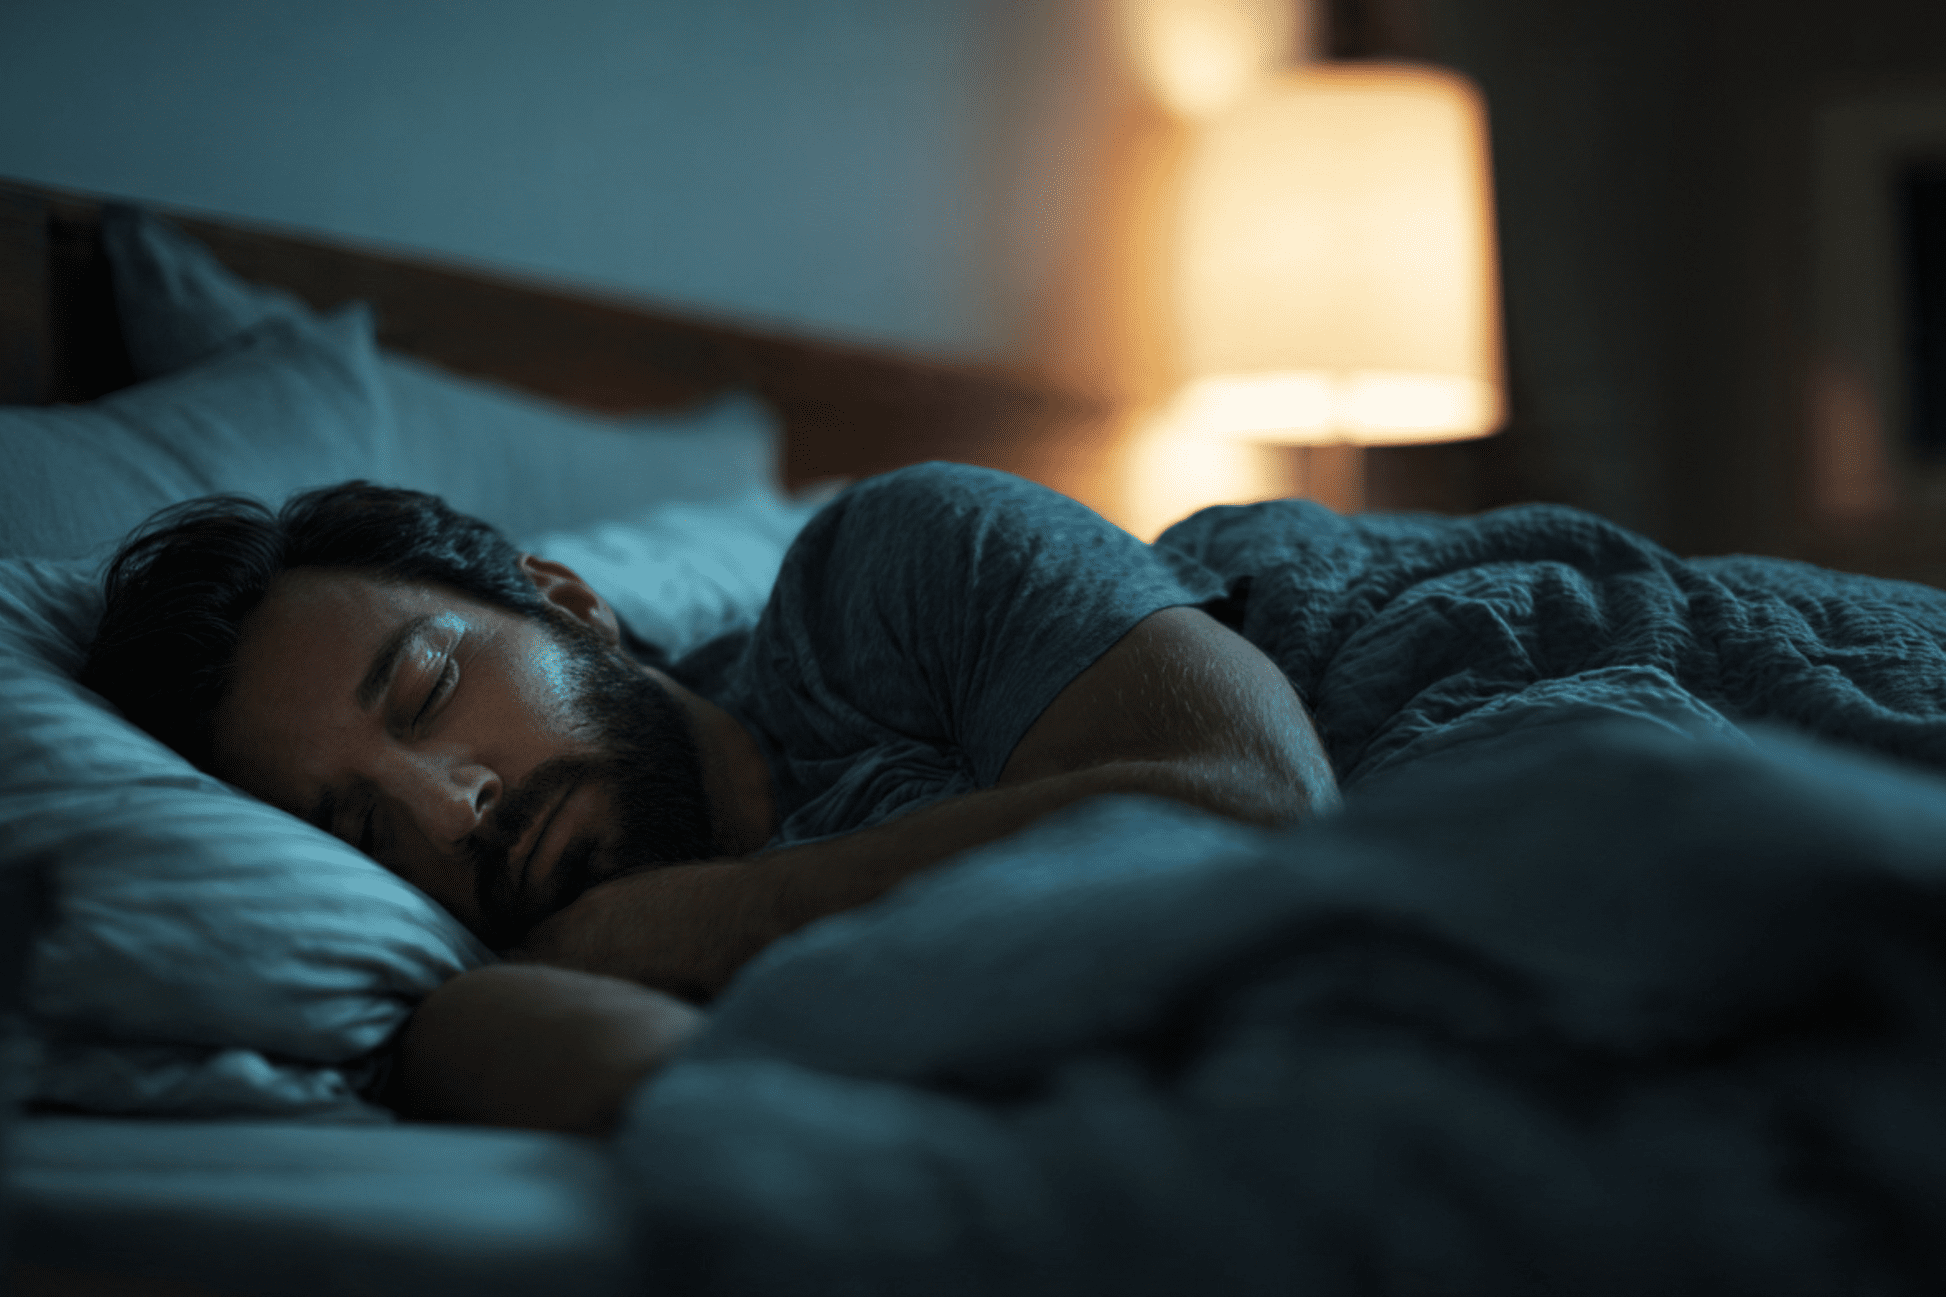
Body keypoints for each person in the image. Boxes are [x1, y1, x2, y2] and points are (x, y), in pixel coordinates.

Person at [82, 463, 1337, 1133]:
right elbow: (764, 1151)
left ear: (569, 604)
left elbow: (1254, 809)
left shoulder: (891, 570)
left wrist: (696, 918)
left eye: (424, 691)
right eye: (359, 828)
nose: (448, 809)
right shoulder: (503, 992)